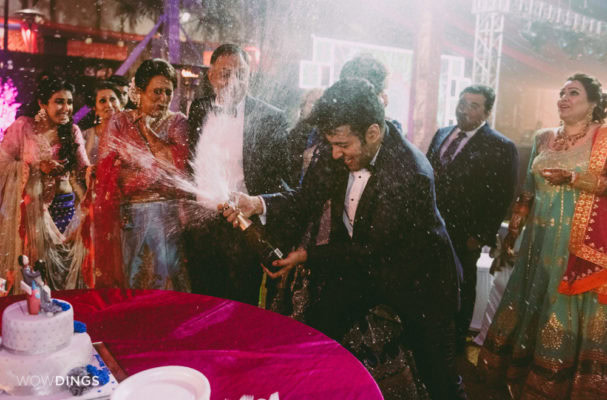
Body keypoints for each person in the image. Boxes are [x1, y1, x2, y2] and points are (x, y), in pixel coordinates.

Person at [224, 78, 466, 400]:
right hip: (361, 270)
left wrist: (307, 256)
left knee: (438, 377)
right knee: (321, 335)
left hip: (420, 285)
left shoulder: (410, 173)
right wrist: (257, 203)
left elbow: (370, 251)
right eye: (331, 144)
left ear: (373, 133)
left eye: (342, 145)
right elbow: (307, 197)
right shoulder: (338, 146)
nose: (335, 154)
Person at [478, 73, 607, 400]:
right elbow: (527, 191)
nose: (563, 98)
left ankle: (564, 386)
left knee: (562, 308)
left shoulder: (603, 138)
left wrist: (574, 178)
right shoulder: (544, 137)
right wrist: (513, 232)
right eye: (561, 92)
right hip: (537, 242)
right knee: (531, 302)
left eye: (573, 93)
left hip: (577, 247)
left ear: (593, 103)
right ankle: (521, 381)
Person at [184, 43, 289, 305]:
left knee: (240, 304)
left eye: (241, 74)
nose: (234, 81)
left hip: (243, 227)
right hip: (201, 225)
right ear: (211, 76)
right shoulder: (198, 109)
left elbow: (281, 180)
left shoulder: (270, 117)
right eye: (225, 74)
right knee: (202, 301)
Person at [426, 84, 518, 350]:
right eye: (462, 103)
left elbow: (501, 197)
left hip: (465, 234)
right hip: (432, 228)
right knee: (429, 284)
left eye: (473, 106)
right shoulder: (442, 133)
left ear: (487, 112)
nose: (464, 109)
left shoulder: (501, 146)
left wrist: (480, 235)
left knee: (461, 287)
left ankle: (455, 345)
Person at [94, 59, 189, 290]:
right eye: (157, 92)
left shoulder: (178, 122)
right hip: (128, 217)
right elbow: (106, 170)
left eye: (168, 92)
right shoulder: (119, 121)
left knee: (166, 281)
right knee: (132, 279)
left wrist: (147, 131)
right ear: (139, 92)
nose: (163, 99)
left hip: (167, 217)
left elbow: (176, 166)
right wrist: (150, 172)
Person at [0, 76, 91, 290]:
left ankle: (62, 307)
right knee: (36, 265)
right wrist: (36, 168)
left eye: (69, 102)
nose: (66, 108)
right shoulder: (24, 127)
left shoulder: (72, 131)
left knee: (63, 268)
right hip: (33, 211)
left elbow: (83, 168)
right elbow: (3, 164)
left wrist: (97, 171)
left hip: (66, 208)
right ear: (42, 103)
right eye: (59, 101)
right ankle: (35, 307)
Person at [82, 81, 123, 164]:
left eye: (112, 99)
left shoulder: (132, 131)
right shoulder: (85, 136)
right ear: (95, 108)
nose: (109, 105)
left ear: (120, 103)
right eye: (102, 101)